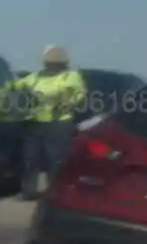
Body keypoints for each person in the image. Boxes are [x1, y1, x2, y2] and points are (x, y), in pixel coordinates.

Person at [10, 46, 88, 199]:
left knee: (55, 159)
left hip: (58, 123)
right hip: (35, 120)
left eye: (54, 63)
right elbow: (20, 85)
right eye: (49, 63)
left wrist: (68, 102)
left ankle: (55, 192)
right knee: (30, 158)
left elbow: (79, 94)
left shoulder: (70, 76)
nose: (51, 66)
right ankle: (28, 191)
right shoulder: (38, 76)